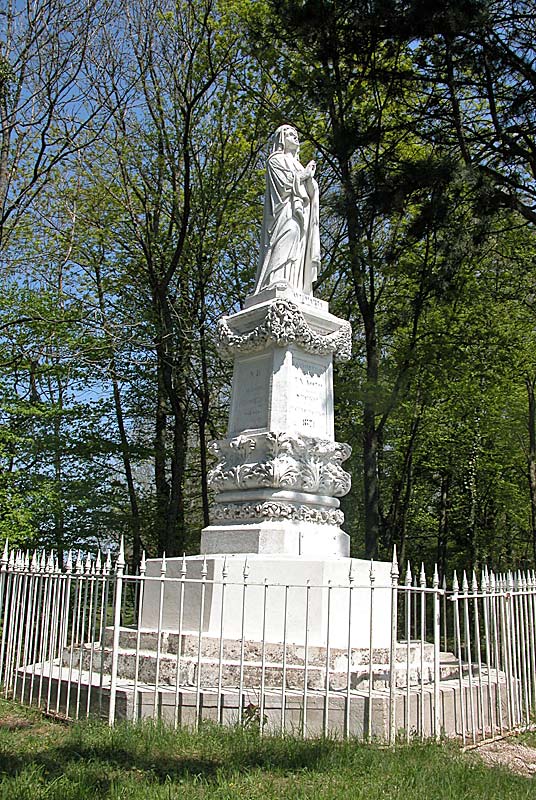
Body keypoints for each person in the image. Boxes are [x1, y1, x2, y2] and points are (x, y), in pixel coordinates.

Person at [254, 125, 320, 295]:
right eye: (290, 134)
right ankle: (275, 278)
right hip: (284, 211)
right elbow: (283, 185)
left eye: (296, 134)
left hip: (301, 213)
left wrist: (310, 181)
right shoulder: (275, 160)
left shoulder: (298, 165)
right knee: (289, 232)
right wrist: (304, 175)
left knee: (298, 244)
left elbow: (310, 192)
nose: (295, 137)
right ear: (281, 139)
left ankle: (294, 284)